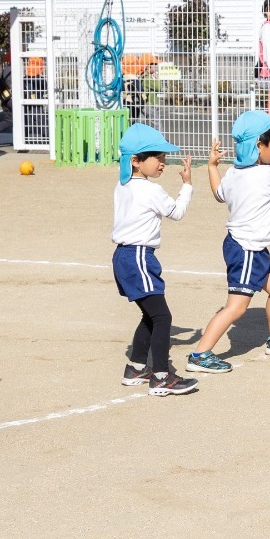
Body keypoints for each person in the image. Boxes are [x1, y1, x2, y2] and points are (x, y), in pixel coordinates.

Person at [187, 111, 270, 372]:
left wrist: (211, 167)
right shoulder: (265, 175)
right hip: (246, 249)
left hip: (250, 247)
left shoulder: (232, 172)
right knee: (236, 307)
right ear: (258, 145)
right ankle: (200, 354)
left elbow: (220, 194)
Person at [113, 124, 200, 396]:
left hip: (124, 256)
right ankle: (162, 376)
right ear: (136, 162)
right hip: (139, 256)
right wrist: (187, 185)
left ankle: (137, 367)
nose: (162, 163)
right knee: (163, 317)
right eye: (157, 158)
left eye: (163, 158)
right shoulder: (151, 190)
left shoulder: (123, 184)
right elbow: (176, 212)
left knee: (151, 315)